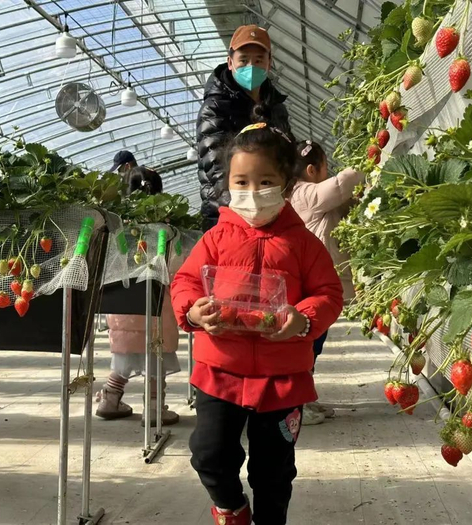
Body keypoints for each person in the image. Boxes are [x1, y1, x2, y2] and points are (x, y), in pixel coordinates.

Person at [171, 122, 343, 525]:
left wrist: (303, 319)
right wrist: (193, 311)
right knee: (209, 454)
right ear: (228, 184)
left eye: (265, 182)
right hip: (219, 370)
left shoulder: (303, 244)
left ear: (286, 184)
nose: (252, 192)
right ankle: (231, 509)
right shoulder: (215, 238)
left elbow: (329, 294)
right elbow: (185, 281)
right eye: (241, 182)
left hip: (282, 378)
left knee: (273, 471)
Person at [96, 166, 179, 427]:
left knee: (125, 355)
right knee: (155, 357)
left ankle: (109, 399)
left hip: (122, 309)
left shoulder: (117, 225)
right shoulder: (165, 229)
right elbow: (174, 266)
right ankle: (154, 408)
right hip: (155, 307)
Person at [289, 140, 365, 426]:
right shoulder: (304, 193)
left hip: (318, 283)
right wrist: (367, 164)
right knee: (307, 343)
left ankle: (305, 398)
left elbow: (340, 206)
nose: (329, 173)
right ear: (311, 170)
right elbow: (341, 185)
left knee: (313, 341)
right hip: (311, 284)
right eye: (325, 168)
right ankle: (295, 403)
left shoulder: (312, 198)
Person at [197, 25, 292, 232]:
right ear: (230, 62)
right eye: (243, 60)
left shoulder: (276, 108)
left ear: (269, 63)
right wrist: (245, 207)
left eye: (258, 60)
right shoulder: (215, 107)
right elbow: (216, 165)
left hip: (270, 209)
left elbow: (287, 156)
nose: (251, 66)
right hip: (226, 213)